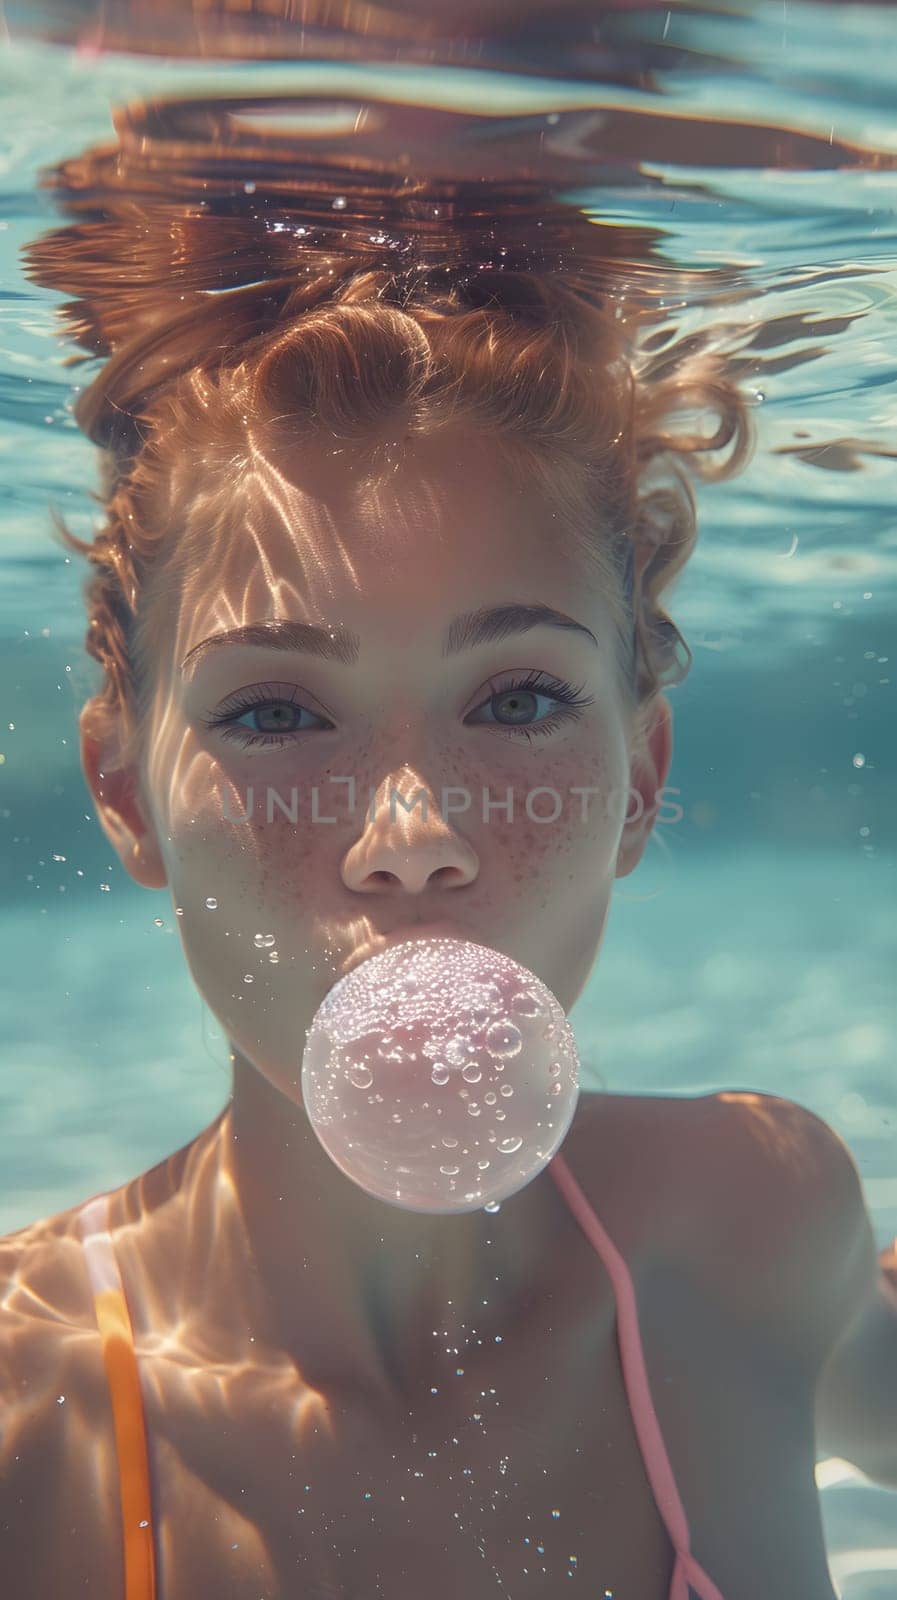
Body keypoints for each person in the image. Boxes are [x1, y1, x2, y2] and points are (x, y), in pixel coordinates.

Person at [3, 221, 896, 1599]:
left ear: (640, 779)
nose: (410, 837)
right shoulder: (23, 1415)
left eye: (519, 699)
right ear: (124, 792)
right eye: (278, 712)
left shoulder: (755, 1225)